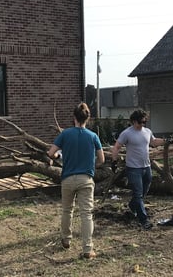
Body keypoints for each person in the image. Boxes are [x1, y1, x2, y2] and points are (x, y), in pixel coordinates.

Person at [47, 102, 104, 260]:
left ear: (74, 118)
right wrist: (91, 165)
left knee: (67, 210)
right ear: (88, 119)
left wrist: (59, 156)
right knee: (86, 214)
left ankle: (66, 239)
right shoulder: (93, 136)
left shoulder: (65, 134)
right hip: (86, 179)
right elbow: (101, 159)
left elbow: (51, 153)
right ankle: (87, 249)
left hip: (68, 179)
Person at [111, 109, 167, 230]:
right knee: (138, 193)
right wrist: (114, 161)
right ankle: (144, 220)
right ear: (134, 121)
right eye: (141, 122)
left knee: (144, 191)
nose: (143, 124)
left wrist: (166, 141)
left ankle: (132, 206)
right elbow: (116, 147)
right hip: (133, 168)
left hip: (146, 167)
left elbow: (153, 142)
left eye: (144, 122)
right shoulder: (127, 133)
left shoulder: (147, 131)